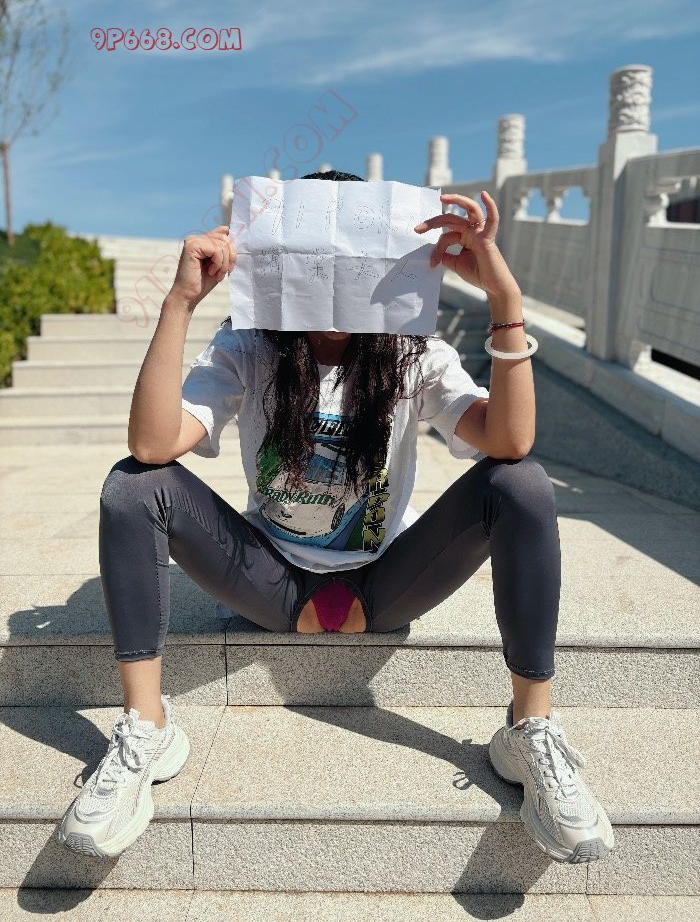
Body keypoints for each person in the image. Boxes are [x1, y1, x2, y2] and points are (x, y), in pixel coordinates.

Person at [58, 170, 614, 865]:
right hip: (270, 579)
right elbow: (151, 445)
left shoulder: (414, 352)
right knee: (133, 487)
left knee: (522, 483)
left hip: (387, 581)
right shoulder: (249, 346)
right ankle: (147, 728)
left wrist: (505, 300)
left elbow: (510, 440)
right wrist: (179, 302)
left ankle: (529, 730)